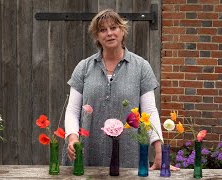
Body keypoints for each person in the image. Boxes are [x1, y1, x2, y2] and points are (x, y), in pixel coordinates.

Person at [62, 9, 180, 171]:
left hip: (128, 155)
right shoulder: (84, 67)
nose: (109, 33)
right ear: (97, 36)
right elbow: (73, 110)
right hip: (87, 152)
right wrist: (73, 138)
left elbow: (149, 112)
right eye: (102, 30)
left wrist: (158, 150)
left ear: (123, 31)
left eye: (113, 27)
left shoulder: (141, 67)